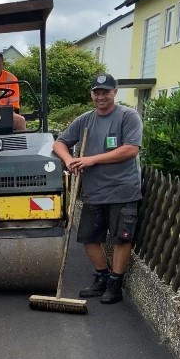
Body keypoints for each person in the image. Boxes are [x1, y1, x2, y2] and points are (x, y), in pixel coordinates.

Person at [52, 73, 143, 304]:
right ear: (92, 94)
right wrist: (69, 159)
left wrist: (92, 160)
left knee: (121, 239)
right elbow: (59, 142)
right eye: (97, 92)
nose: (101, 96)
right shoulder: (85, 120)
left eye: (106, 91)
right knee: (90, 238)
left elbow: (131, 149)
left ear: (114, 92)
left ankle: (115, 284)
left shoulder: (128, 116)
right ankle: (101, 277)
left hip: (123, 190)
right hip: (94, 191)